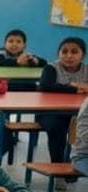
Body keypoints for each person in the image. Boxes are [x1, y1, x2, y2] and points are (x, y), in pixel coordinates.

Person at [37, 36, 88, 174]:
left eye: (74, 52)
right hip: (49, 113)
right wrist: (74, 88)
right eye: (64, 51)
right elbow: (46, 86)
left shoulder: (86, 70)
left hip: (77, 113)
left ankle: (77, 166)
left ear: (83, 55)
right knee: (56, 129)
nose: (69, 56)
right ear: (58, 54)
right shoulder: (51, 68)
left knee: (82, 131)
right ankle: (59, 168)